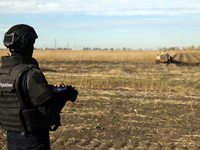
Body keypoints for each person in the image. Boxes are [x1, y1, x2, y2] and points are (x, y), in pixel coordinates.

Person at [0, 24, 78, 150]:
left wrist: (50, 90)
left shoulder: (2, 73)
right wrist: (66, 93)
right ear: (27, 44)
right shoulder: (31, 74)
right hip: (33, 141)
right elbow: (47, 108)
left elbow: (21, 95)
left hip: (11, 139)